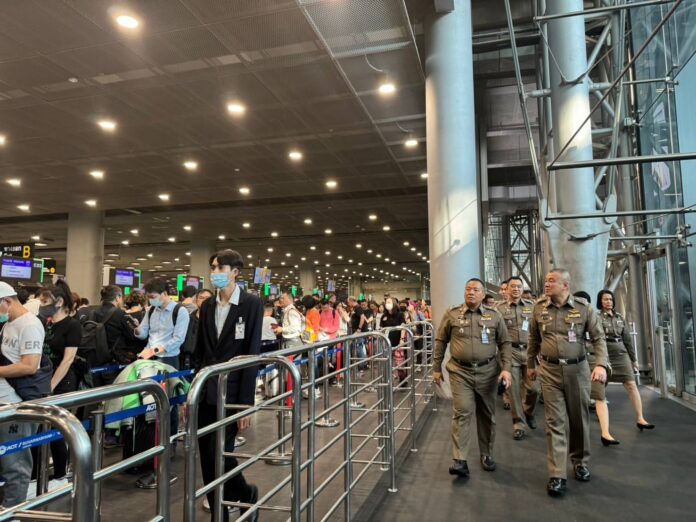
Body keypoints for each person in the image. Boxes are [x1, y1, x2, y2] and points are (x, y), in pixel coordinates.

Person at [193, 249, 261, 522]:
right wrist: (193, 391)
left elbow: (251, 354)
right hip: (206, 391)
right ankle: (218, 513)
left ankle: (245, 494)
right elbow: (199, 352)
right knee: (206, 456)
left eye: (220, 268)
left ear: (235, 272)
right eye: (213, 267)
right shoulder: (207, 306)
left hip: (232, 393)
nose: (215, 273)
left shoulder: (251, 304)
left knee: (219, 453)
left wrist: (245, 405)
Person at [527, 269, 608, 497]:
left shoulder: (583, 308)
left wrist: (600, 364)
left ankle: (580, 460)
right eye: (546, 280)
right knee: (555, 422)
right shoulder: (539, 308)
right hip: (550, 371)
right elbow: (533, 338)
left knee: (579, 419)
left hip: (577, 370)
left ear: (565, 285)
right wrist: (530, 365)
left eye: (552, 281)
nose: (547, 284)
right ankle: (557, 474)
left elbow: (599, 338)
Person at [432, 278, 512, 478]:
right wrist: (436, 368)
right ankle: (460, 460)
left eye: (476, 290)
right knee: (463, 412)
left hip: (488, 372)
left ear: (483, 295)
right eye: (468, 289)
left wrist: (506, 369)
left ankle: (486, 454)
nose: (471, 293)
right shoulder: (452, 314)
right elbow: (441, 341)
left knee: (486, 415)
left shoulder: (495, 316)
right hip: (460, 372)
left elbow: (504, 343)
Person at [132, 277, 189, 488]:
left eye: (153, 297)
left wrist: (154, 350)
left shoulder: (179, 312)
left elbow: (178, 339)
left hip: (169, 360)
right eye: (149, 297)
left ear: (165, 293)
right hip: (149, 361)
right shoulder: (151, 311)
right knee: (150, 406)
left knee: (169, 405)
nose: (151, 300)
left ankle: (169, 446)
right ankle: (151, 449)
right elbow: (144, 334)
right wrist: (137, 330)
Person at [0, 282, 46, 508]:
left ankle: (12, 513)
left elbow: (30, 366)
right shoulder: (8, 323)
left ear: (7, 302)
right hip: (4, 402)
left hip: (17, 405)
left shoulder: (29, 325)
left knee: (14, 464)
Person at [594, 289, 654, 445]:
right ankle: (605, 432)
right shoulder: (596, 317)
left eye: (610, 299)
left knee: (631, 384)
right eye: (605, 299)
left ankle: (641, 418)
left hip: (621, 354)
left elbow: (627, 339)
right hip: (604, 355)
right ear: (600, 301)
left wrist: (634, 359)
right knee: (600, 391)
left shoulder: (620, 318)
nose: (609, 302)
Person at [37, 280, 82, 487]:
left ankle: (61, 474)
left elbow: (68, 359)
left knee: (56, 429)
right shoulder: (47, 323)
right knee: (40, 429)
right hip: (44, 381)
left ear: (59, 301)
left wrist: (51, 387)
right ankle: (37, 474)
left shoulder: (72, 325)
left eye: (45, 300)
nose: (41, 302)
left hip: (62, 382)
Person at [496, 276, 538, 440]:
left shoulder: (532, 307)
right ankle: (518, 424)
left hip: (529, 352)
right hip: (510, 352)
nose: (516, 289)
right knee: (512, 391)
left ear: (522, 289)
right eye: (512, 286)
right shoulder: (499, 309)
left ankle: (528, 412)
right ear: (506, 289)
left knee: (535, 389)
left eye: (519, 287)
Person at [181, 288, 214, 370]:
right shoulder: (188, 318)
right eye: (201, 298)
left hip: (209, 362)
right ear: (196, 300)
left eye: (207, 298)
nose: (204, 300)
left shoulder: (215, 319)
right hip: (189, 361)